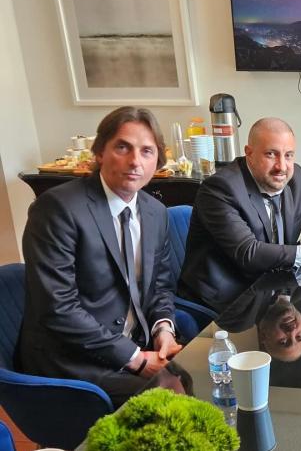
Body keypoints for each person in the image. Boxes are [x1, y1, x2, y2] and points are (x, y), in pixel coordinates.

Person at [19, 107, 181, 407]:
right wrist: (134, 358)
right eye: (123, 147)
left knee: (200, 376)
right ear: (100, 153)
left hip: (132, 342)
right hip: (72, 358)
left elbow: (160, 286)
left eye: (147, 151)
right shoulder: (57, 209)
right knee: (170, 403)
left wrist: (163, 330)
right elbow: (58, 308)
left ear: (157, 162)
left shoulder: (155, 212)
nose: (135, 161)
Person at [179, 118, 301, 312]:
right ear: (249, 153)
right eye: (271, 154)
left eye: (288, 155)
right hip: (226, 301)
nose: (281, 166)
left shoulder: (296, 178)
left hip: (272, 289)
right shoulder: (220, 188)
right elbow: (249, 253)